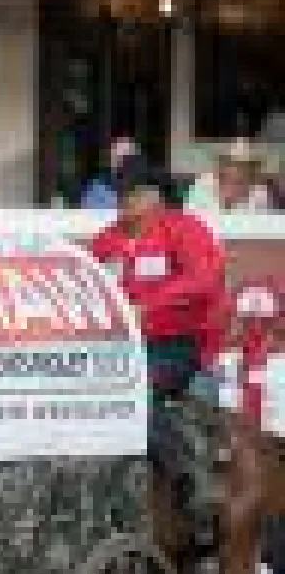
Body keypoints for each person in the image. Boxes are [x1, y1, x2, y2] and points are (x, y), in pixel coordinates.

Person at [89, 167, 230, 526]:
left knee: (134, 391)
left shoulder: (185, 229)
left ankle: (187, 471)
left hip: (177, 344)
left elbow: (205, 280)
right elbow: (89, 279)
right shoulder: (107, 240)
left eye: (131, 192)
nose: (122, 200)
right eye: (119, 192)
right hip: (121, 348)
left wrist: (149, 305)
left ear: (154, 196)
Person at [185, 138, 276, 214]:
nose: (234, 170)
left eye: (243, 165)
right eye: (230, 163)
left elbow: (262, 228)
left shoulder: (260, 194)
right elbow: (191, 222)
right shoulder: (202, 186)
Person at [81, 136, 144, 210]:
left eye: (128, 158)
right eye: (120, 158)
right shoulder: (98, 188)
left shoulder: (141, 189)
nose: (124, 164)